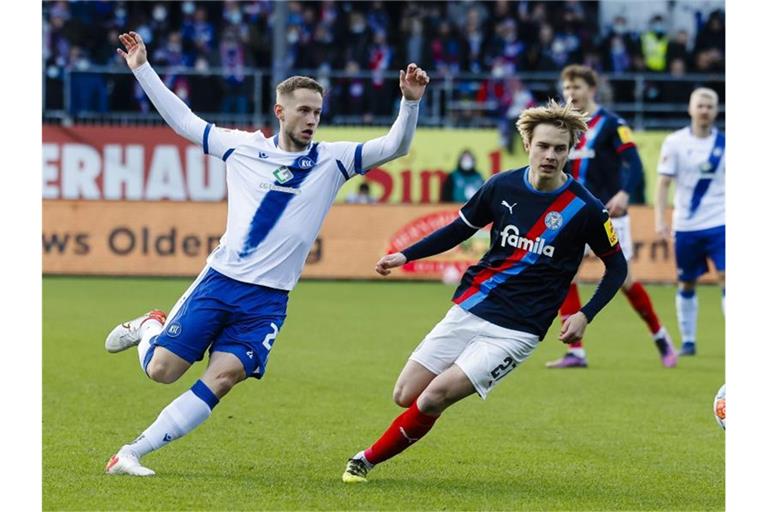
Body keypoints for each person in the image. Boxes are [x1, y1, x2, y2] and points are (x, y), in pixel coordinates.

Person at [103, 31, 429, 476]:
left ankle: (131, 453)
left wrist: (409, 102)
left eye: (317, 111)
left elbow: (396, 146)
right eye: (303, 110)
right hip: (221, 281)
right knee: (162, 371)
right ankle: (150, 326)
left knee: (223, 377)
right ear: (281, 111)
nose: (312, 119)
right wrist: (142, 67)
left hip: (268, 300)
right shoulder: (242, 147)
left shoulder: (334, 160)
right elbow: (183, 120)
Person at [342, 100, 628, 483]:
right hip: (472, 307)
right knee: (405, 394)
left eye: (560, 148)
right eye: (543, 146)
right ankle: (400, 432)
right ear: (527, 143)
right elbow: (459, 229)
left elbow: (618, 267)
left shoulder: (586, 209)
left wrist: (585, 314)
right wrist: (405, 255)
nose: (550, 155)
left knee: (433, 396)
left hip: (518, 329)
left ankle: (365, 460)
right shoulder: (501, 185)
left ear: (571, 149)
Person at [546, 64, 677, 369]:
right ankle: (575, 351)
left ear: (591, 89)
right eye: (566, 88)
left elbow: (635, 164)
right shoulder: (566, 127)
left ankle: (659, 334)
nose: (570, 94)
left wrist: (625, 193)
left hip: (609, 214)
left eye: (576, 87)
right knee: (564, 275)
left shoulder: (612, 124)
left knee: (624, 280)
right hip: (574, 215)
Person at [655, 88, 724, 356]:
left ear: (716, 110)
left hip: (722, 222)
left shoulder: (727, 144)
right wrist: (660, 218)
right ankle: (689, 341)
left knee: (727, 277)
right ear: (691, 109)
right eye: (701, 105)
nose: (705, 110)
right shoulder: (674, 142)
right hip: (686, 224)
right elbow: (663, 184)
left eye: (710, 106)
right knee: (686, 283)